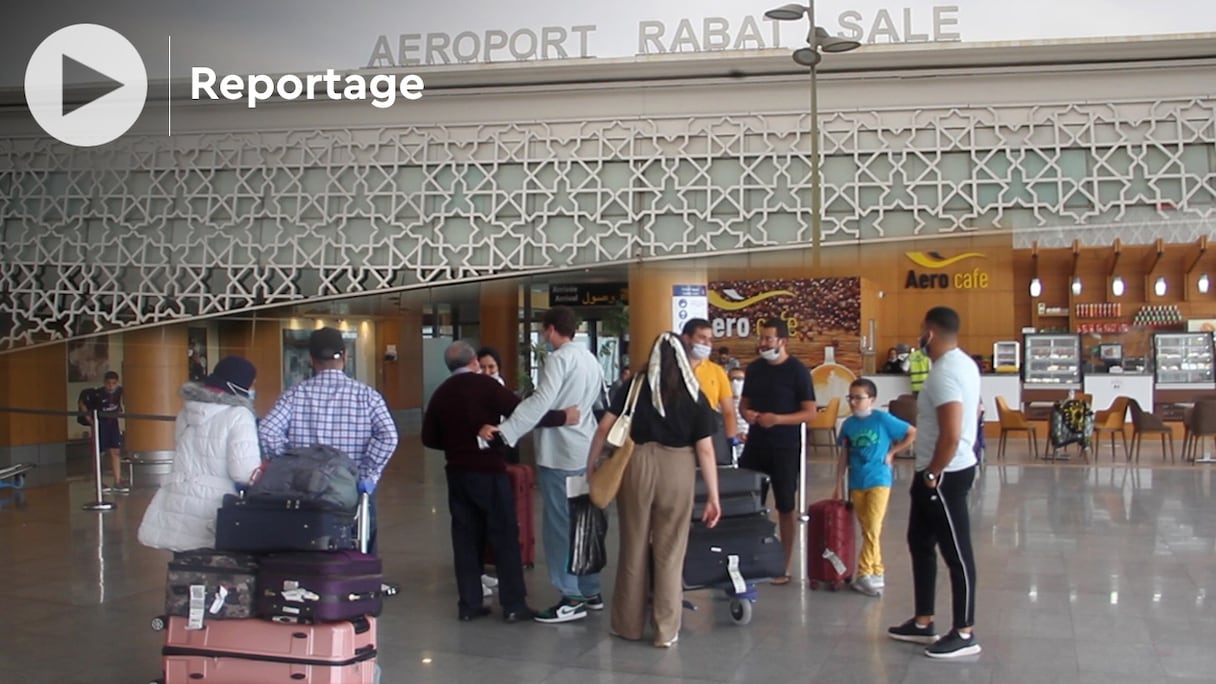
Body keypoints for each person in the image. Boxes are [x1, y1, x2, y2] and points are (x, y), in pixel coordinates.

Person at [423, 342, 580, 623]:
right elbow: (524, 412)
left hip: (457, 474)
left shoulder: (441, 394)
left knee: (465, 538)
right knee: (505, 535)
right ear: (473, 362)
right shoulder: (486, 386)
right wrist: (563, 417)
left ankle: (469, 604)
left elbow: (429, 438)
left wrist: (458, 443)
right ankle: (513, 604)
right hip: (489, 472)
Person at [587, 332, 721, 647]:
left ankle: (627, 625)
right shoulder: (693, 394)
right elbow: (705, 450)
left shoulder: (633, 385)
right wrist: (713, 495)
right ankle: (665, 630)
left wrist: (592, 463)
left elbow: (605, 426)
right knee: (670, 551)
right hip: (677, 468)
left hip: (636, 465)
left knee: (633, 545)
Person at [478, 306, 605, 624]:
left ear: (550, 330)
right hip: (585, 449)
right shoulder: (590, 359)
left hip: (560, 453)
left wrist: (505, 432)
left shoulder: (558, 359)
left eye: (542, 331)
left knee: (560, 527)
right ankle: (590, 590)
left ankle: (571, 596)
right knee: (584, 522)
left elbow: (541, 402)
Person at [887, 306, 982, 659]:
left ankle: (964, 631)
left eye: (920, 331)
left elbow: (952, 433)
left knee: (957, 553)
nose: (918, 337)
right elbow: (977, 412)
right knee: (920, 542)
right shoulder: (964, 364)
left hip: (944, 475)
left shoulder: (945, 374)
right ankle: (923, 620)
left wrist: (932, 473)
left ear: (931, 332)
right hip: (935, 471)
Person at [259, 327, 399, 554]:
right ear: (345, 356)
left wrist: (288, 463)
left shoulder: (295, 394)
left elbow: (267, 431)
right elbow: (388, 436)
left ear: (311, 360)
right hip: (350, 490)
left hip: (303, 489)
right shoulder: (367, 396)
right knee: (359, 548)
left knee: (304, 549)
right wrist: (366, 472)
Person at [138, 357, 261, 551]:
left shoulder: (186, 411)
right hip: (212, 508)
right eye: (252, 384)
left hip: (176, 499)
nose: (253, 389)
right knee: (211, 571)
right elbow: (243, 472)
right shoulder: (238, 415)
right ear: (238, 385)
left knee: (183, 568)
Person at [737, 318, 816, 584]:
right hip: (755, 444)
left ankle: (783, 563)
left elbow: (810, 412)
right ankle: (749, 557)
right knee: (749, 501)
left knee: (785, 504)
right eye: (762, 338)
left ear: (782, 341)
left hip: (785, 445)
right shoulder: (756, 369)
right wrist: (746, 414)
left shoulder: (797, 371)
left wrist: (778, 419)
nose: (763, 343)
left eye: (769, 339)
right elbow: (743, 404)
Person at [832, 378, 916, 597]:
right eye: (850, 397)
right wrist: (838, 483)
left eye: (858, 398)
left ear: (871, 399)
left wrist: (892, 452)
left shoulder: (882, 419)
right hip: (857, 481)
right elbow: (844, 455)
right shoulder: (848, 425)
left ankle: (864, 574)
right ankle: (877, 570)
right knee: (867, 528)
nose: (853, 402)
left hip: (879, 480)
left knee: (873, 527)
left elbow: (911, 432)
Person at [681, 318, 742, 462]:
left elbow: (728, 411)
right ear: (686, 338)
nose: (707, 344)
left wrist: (730, 440)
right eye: (702, 338)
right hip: (679, 435)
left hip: (709, 434)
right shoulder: (672, 369)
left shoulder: (717, 371)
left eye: (710, 339)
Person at [88, 371, 127, 492]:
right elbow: (84, 404)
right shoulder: (97, 394)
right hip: (100, 425)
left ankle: (117, 480)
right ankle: (99, 482)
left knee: (115, 451)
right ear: (104, 383)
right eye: (108, 383)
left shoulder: (120, 391)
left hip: (113, 424)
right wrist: (91, 420)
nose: (111, 386)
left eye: (113, 383)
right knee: (99, 454)